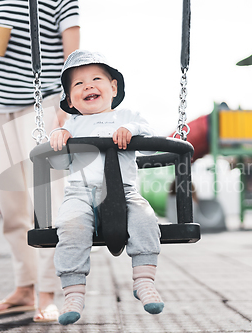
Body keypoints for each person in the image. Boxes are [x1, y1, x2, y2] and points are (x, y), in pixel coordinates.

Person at [48, 50, 164, 325]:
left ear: (113, 87)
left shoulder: (127, 115)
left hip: (123, 191)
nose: (88, 86)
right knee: (70, 226)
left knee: (145, 220)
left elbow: (147, 130)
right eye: (78, 84)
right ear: (70, 100)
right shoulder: (72, 124)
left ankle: (144, 280)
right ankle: (73, 291)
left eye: (96, 79)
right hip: (80, 192)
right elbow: (58, 157)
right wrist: (59, 135)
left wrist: (130, 130)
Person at [0, 0, 80, 322]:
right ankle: (24, 288)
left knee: (46, 200)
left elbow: (73, 53)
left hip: (43, 99)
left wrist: (66, 104)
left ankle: (48, 292)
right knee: (11, 203)